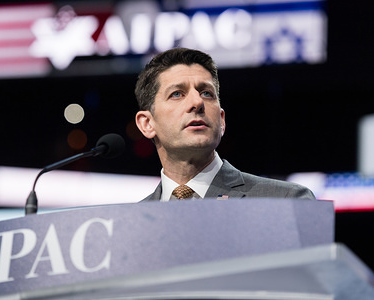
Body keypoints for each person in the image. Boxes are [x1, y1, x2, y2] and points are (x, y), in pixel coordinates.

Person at [134, 47, 315, 201]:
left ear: (221, 120)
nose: (197, 102)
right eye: (177, 94)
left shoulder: (287, 201)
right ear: (147, 123)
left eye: (206, 93)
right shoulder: (129, 223)